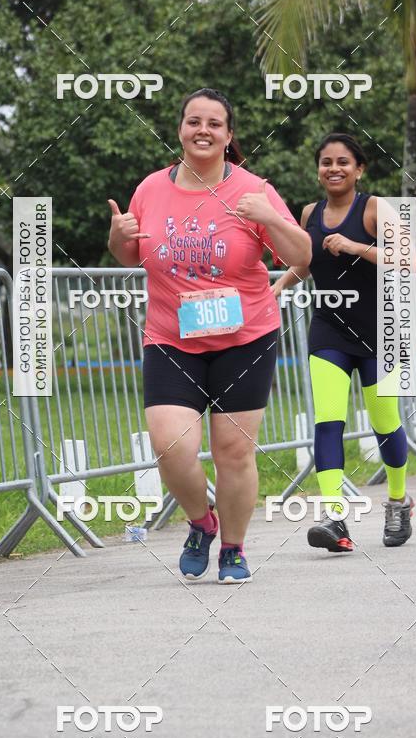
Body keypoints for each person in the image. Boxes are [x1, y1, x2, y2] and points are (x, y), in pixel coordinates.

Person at [108, 88, 311, 582]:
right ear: (180, 128)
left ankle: (234, 549)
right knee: (169, 444)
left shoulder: (253, 190)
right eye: (193, 121)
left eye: (214, 124)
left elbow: (302, 256)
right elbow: (130, 256)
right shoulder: (151, 189)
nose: (203, 130)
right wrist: (118, 235)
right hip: (171, 337)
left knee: (233, 451)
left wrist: (268, 218)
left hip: (245, 338)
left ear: (228, 135)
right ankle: (202, 522)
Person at [273, 133, 415, 550]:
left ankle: (397, 501)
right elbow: (304, 261)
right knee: (328, 420)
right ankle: (335, 518)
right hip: (329, 329)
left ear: (359, 169)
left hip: (384, 329)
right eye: (325, 162)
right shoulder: (310, 213)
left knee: (385, 422)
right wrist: (278, 287)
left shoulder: (375, 208)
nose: (333, 169)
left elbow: (410, 262)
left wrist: (357, 246)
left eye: (343, 162)